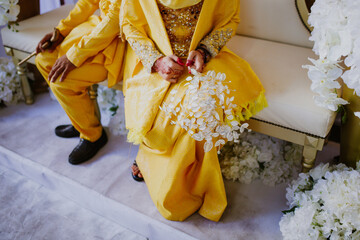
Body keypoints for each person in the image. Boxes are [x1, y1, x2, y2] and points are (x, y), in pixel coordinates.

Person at [121, 0, 267, 221]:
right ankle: (151, 160)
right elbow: (130, 24)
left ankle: (192, 187)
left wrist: (204, 51)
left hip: (201, 61)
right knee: (155, 108)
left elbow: (228, 20)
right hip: (155, 59)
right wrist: (156, 61)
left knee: (202, 109)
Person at [35, 0, 125, 165]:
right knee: (43, 59)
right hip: (97, 29)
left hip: (120, 39)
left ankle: (93, 137)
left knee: (62, 80)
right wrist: (61, 31)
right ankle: (83, 124)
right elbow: (89, 2)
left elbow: (115, 19)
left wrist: (75, 55)